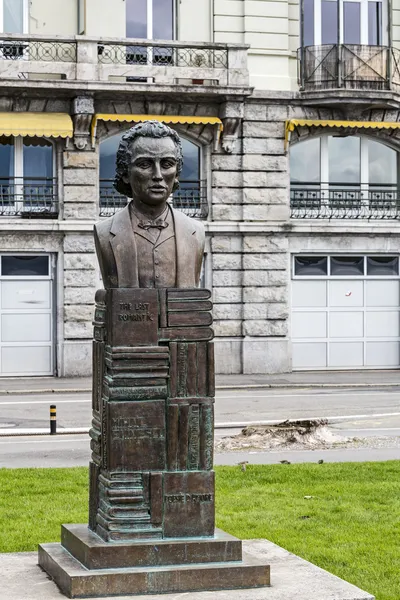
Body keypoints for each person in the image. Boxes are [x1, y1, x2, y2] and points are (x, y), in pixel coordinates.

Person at [94, 121, 205, 289]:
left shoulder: (196, 231)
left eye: (167, 164)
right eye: (145, 164)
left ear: (176, 174)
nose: (158, 175)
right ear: (126, 173)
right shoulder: (105, 232)